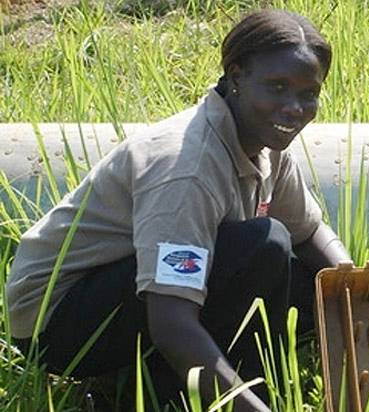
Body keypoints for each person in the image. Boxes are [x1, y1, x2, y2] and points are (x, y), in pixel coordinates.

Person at [7, 9, 350, 411]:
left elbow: (308, 233)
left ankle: (167, 379)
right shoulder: (188, 169)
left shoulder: (266, 142)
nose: (294, 107)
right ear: (236, 77)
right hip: (58, 319)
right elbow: (171, 324)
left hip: (144, 291)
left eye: (309, 94)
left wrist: (364, 293)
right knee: (264, 246)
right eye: (277, 87)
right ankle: (141, 393)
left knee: (306, 285)